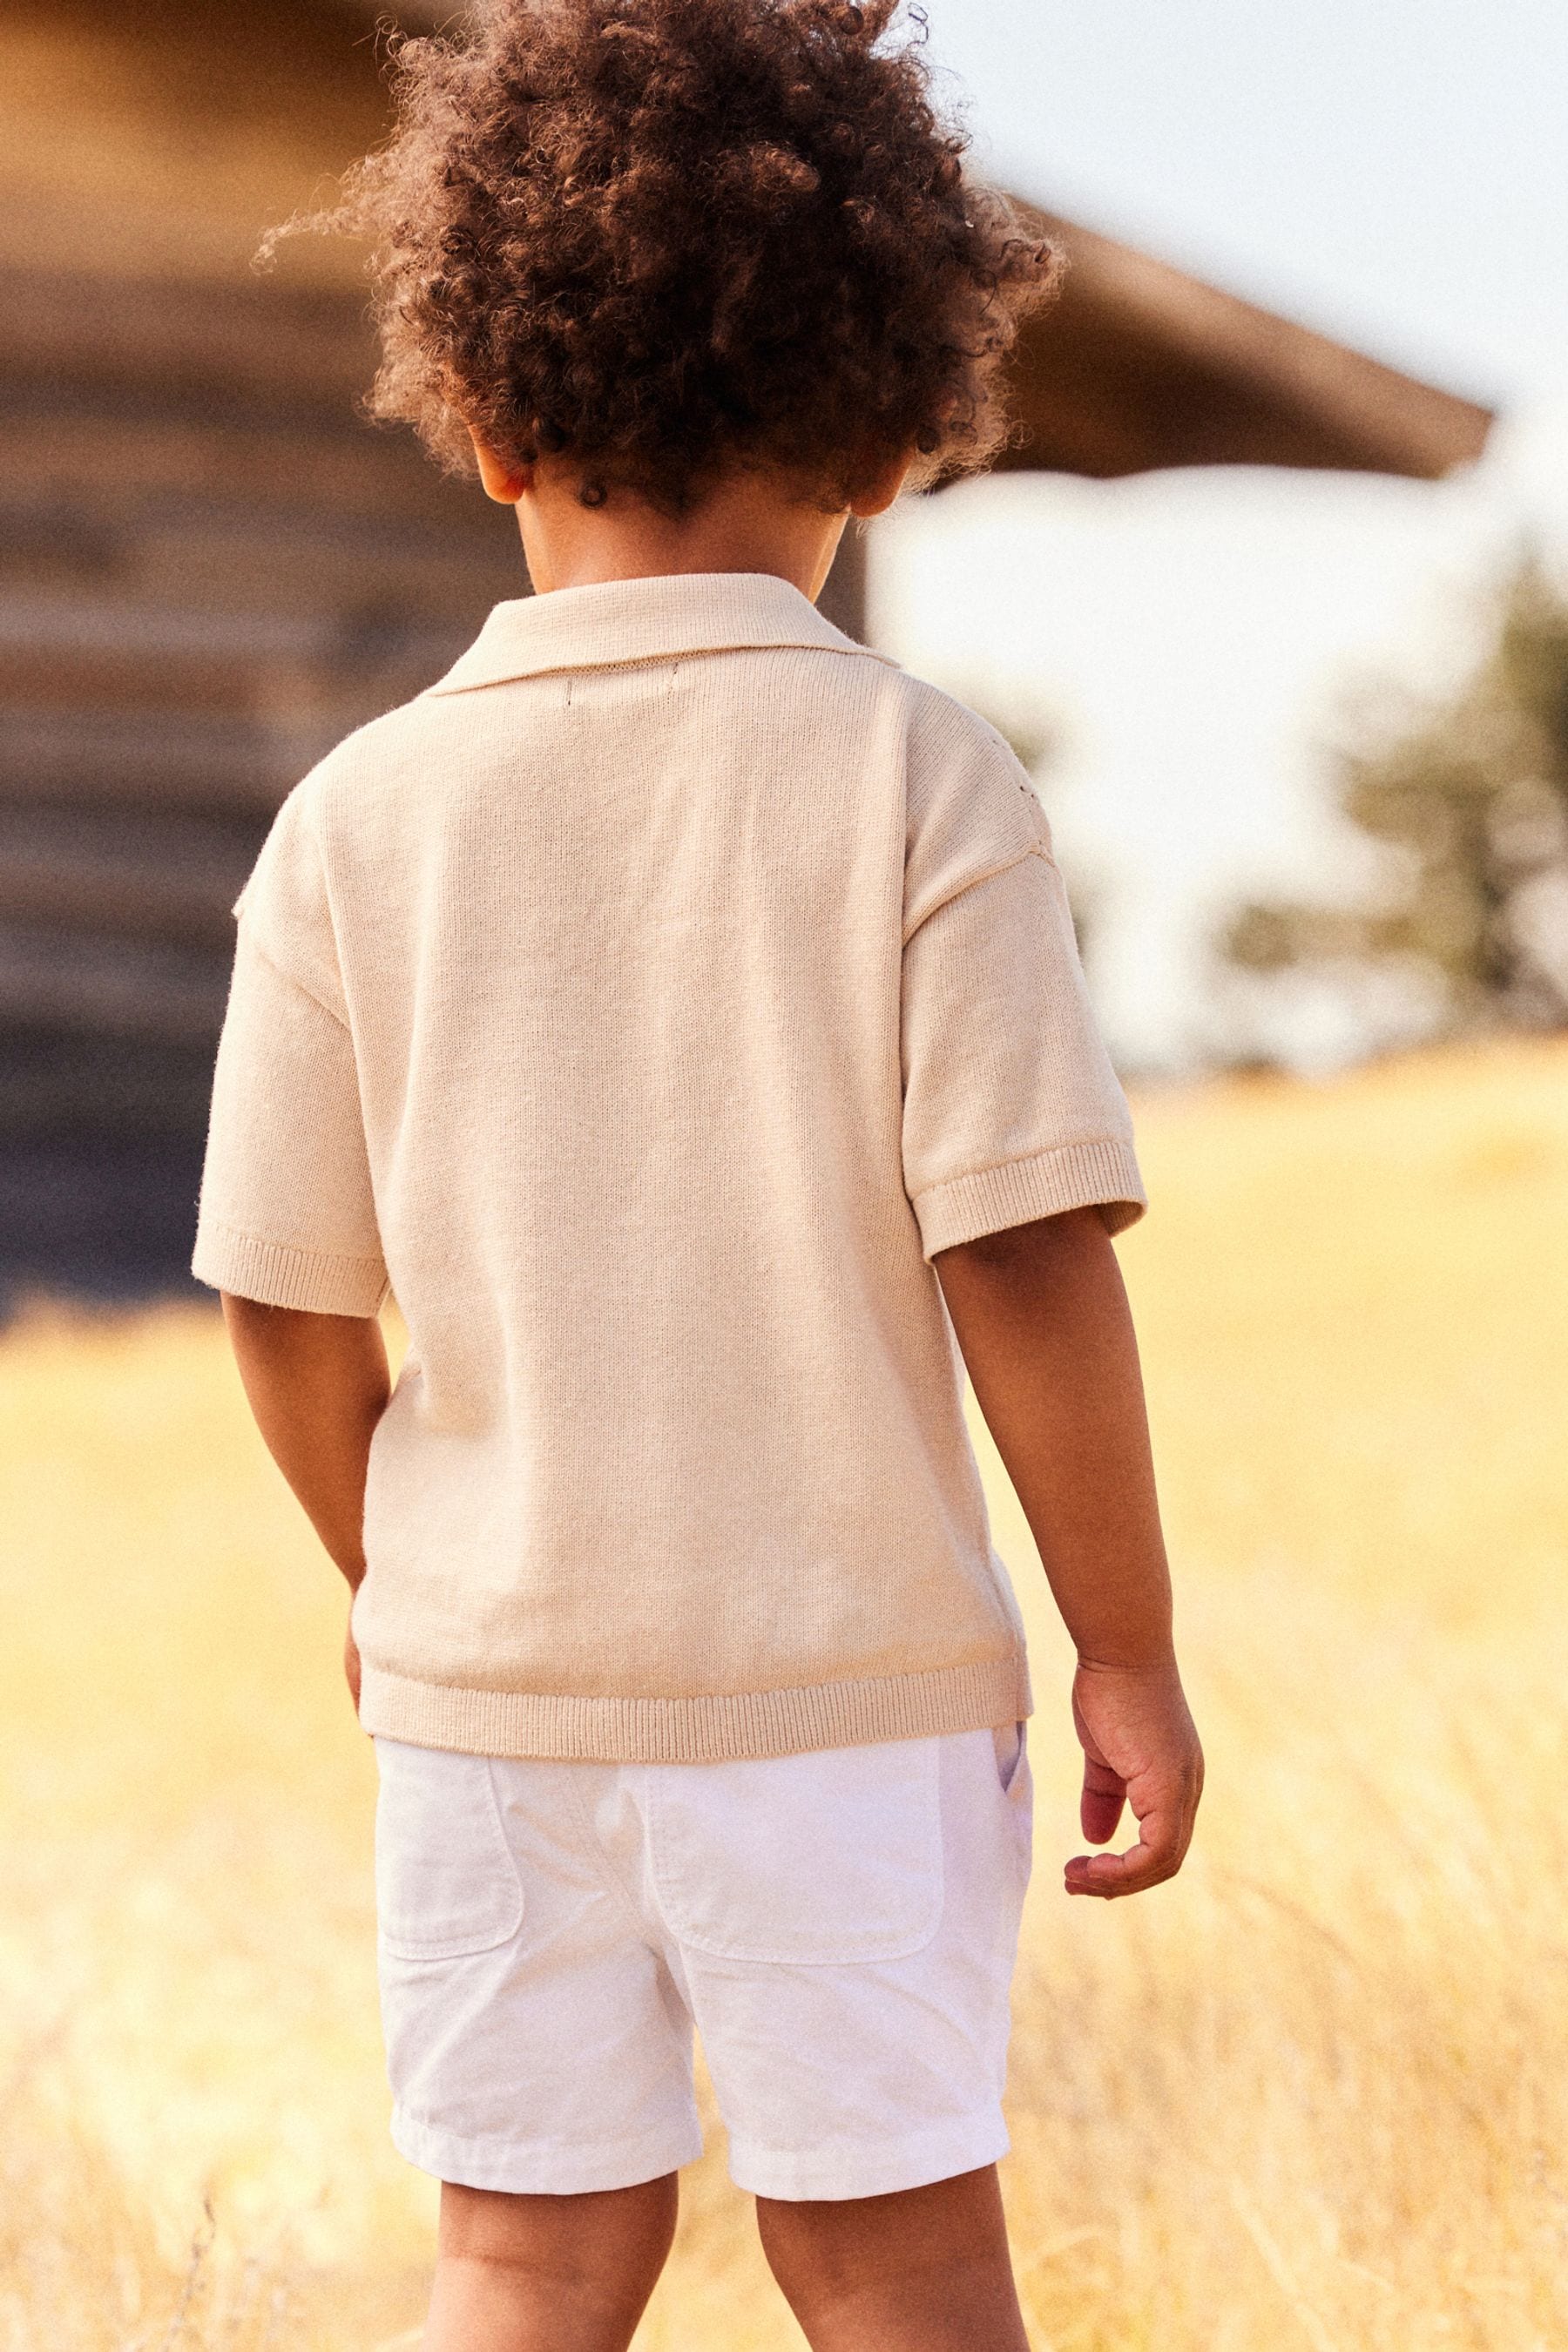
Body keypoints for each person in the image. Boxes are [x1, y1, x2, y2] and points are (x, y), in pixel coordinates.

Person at [193, 3, 1203, 2344]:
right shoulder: (917, 781)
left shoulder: (354, 817)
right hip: (842, 1701)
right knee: (900, 2257)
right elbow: (1028, 1246)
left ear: (479, 415)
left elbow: (279, 1299)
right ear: (886, 424)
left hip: (488, 1711)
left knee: (524, 2255)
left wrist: (395, 1562)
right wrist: (1124, 1640)